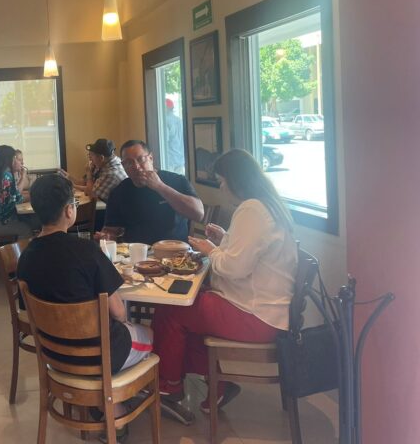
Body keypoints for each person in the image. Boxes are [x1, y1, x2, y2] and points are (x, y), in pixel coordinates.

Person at [152, 149, 297, 424]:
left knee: (172, 308)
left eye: (221, 181)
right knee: (191, 308)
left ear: (235, 180)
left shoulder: (252, 210)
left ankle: (169, 385)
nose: (221, 187)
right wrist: (225, 239)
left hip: (256, 316)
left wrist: (210, 249)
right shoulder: (268, 205)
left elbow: (233, 268)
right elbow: (250, 255)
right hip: (269, 311)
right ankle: (218, 383)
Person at [17, 173, 153, 442]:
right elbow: (119, 313)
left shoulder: (26, 258)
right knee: (148, 334)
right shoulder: (87, 251)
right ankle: (115, 404)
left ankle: (98, 400)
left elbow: (27, 308)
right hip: (100, 356)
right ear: (69, 210)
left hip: (55, 357)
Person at [99, 140, 203, 244]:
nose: (136, 166)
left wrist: (159, 186)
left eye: (140, 159)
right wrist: (106, 237)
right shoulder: (119, 191)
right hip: (136, 250)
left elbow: (198, 214)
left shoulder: (176, 180)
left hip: (175, 249)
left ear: (151, 158)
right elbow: (111, 230)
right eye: (129, 162)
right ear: (123, 166)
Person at [63, 138, 127, 202]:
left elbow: (92, 196)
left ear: (101, 158)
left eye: (92, 155)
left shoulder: (111, 173)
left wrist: (89, 173)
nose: (90, 159)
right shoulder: (105, 164)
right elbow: (85, 184)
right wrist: (68, 176)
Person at [164, 99, 185, 174]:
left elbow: (164, 141)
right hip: (180, 159)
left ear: (166, 108)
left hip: (170, 161)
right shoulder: (179, 120)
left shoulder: (165, 121)